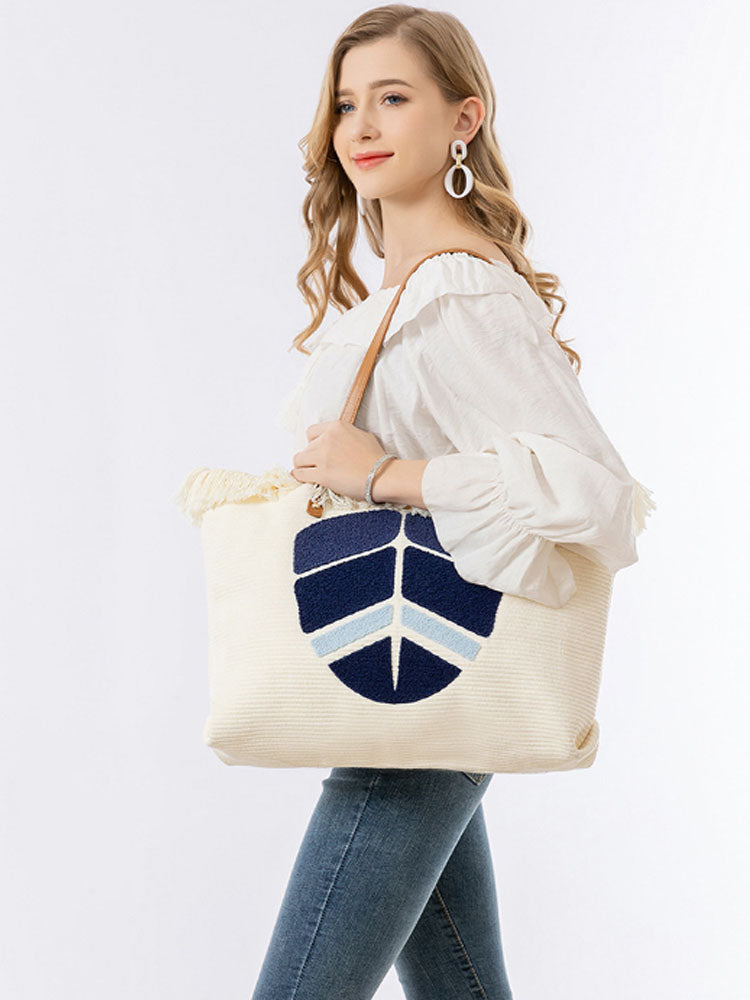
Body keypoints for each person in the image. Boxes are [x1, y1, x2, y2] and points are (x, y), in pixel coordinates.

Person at [252, 5, 654, 998]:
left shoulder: (459, 293)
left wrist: (386, 474)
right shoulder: (396, 298)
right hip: (403, 680)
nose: (361, 126)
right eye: (346, 103)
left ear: (463, 118)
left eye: (394, 98)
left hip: (422, 666)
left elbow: (595, 496)